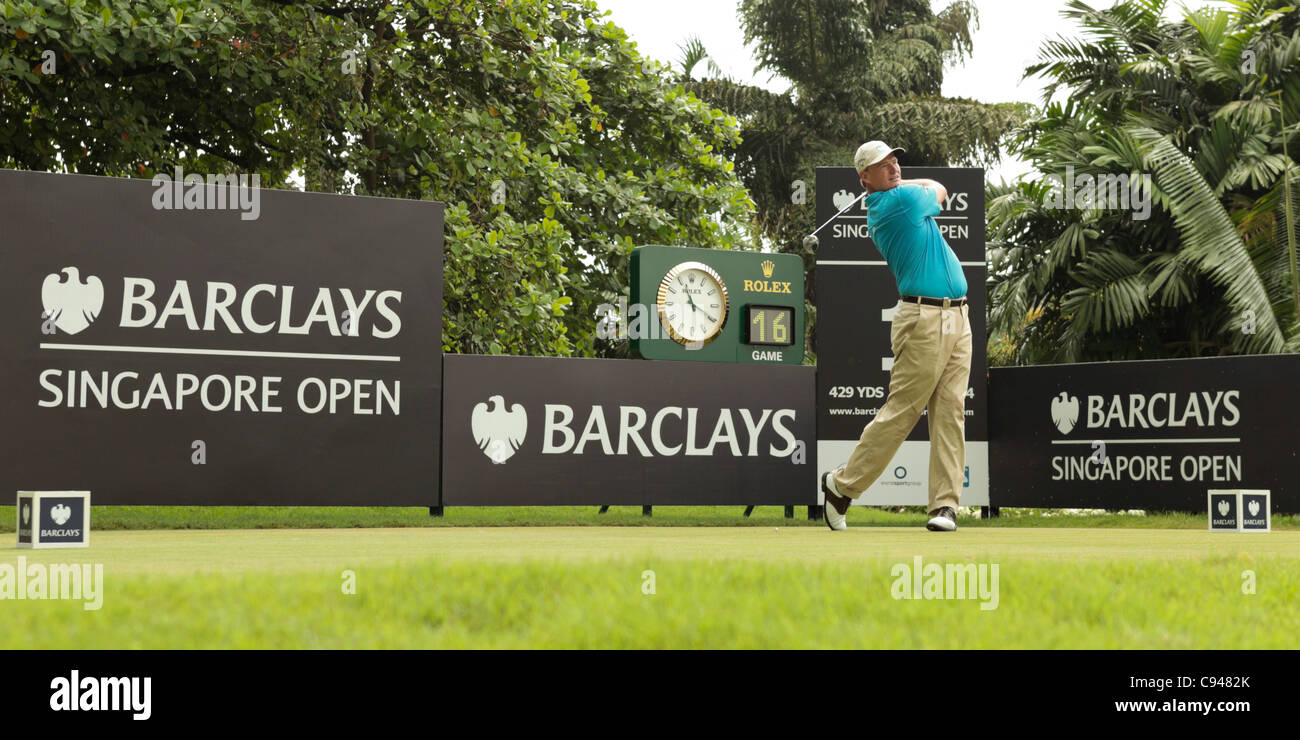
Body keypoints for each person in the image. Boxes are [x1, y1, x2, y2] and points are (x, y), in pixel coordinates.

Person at [821, 140, 972, 533]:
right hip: (923, 319)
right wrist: (910, 184)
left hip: (958, 316)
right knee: (903, 411)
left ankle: (944, 507)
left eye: (893, 160)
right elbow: (940, 188)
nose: (892, 167)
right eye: (880, 165)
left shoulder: (898, 196)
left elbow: (929, 188)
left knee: (951, 412)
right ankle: (841, 486)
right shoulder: (896, 205)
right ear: (864, 178)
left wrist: (901, 180)